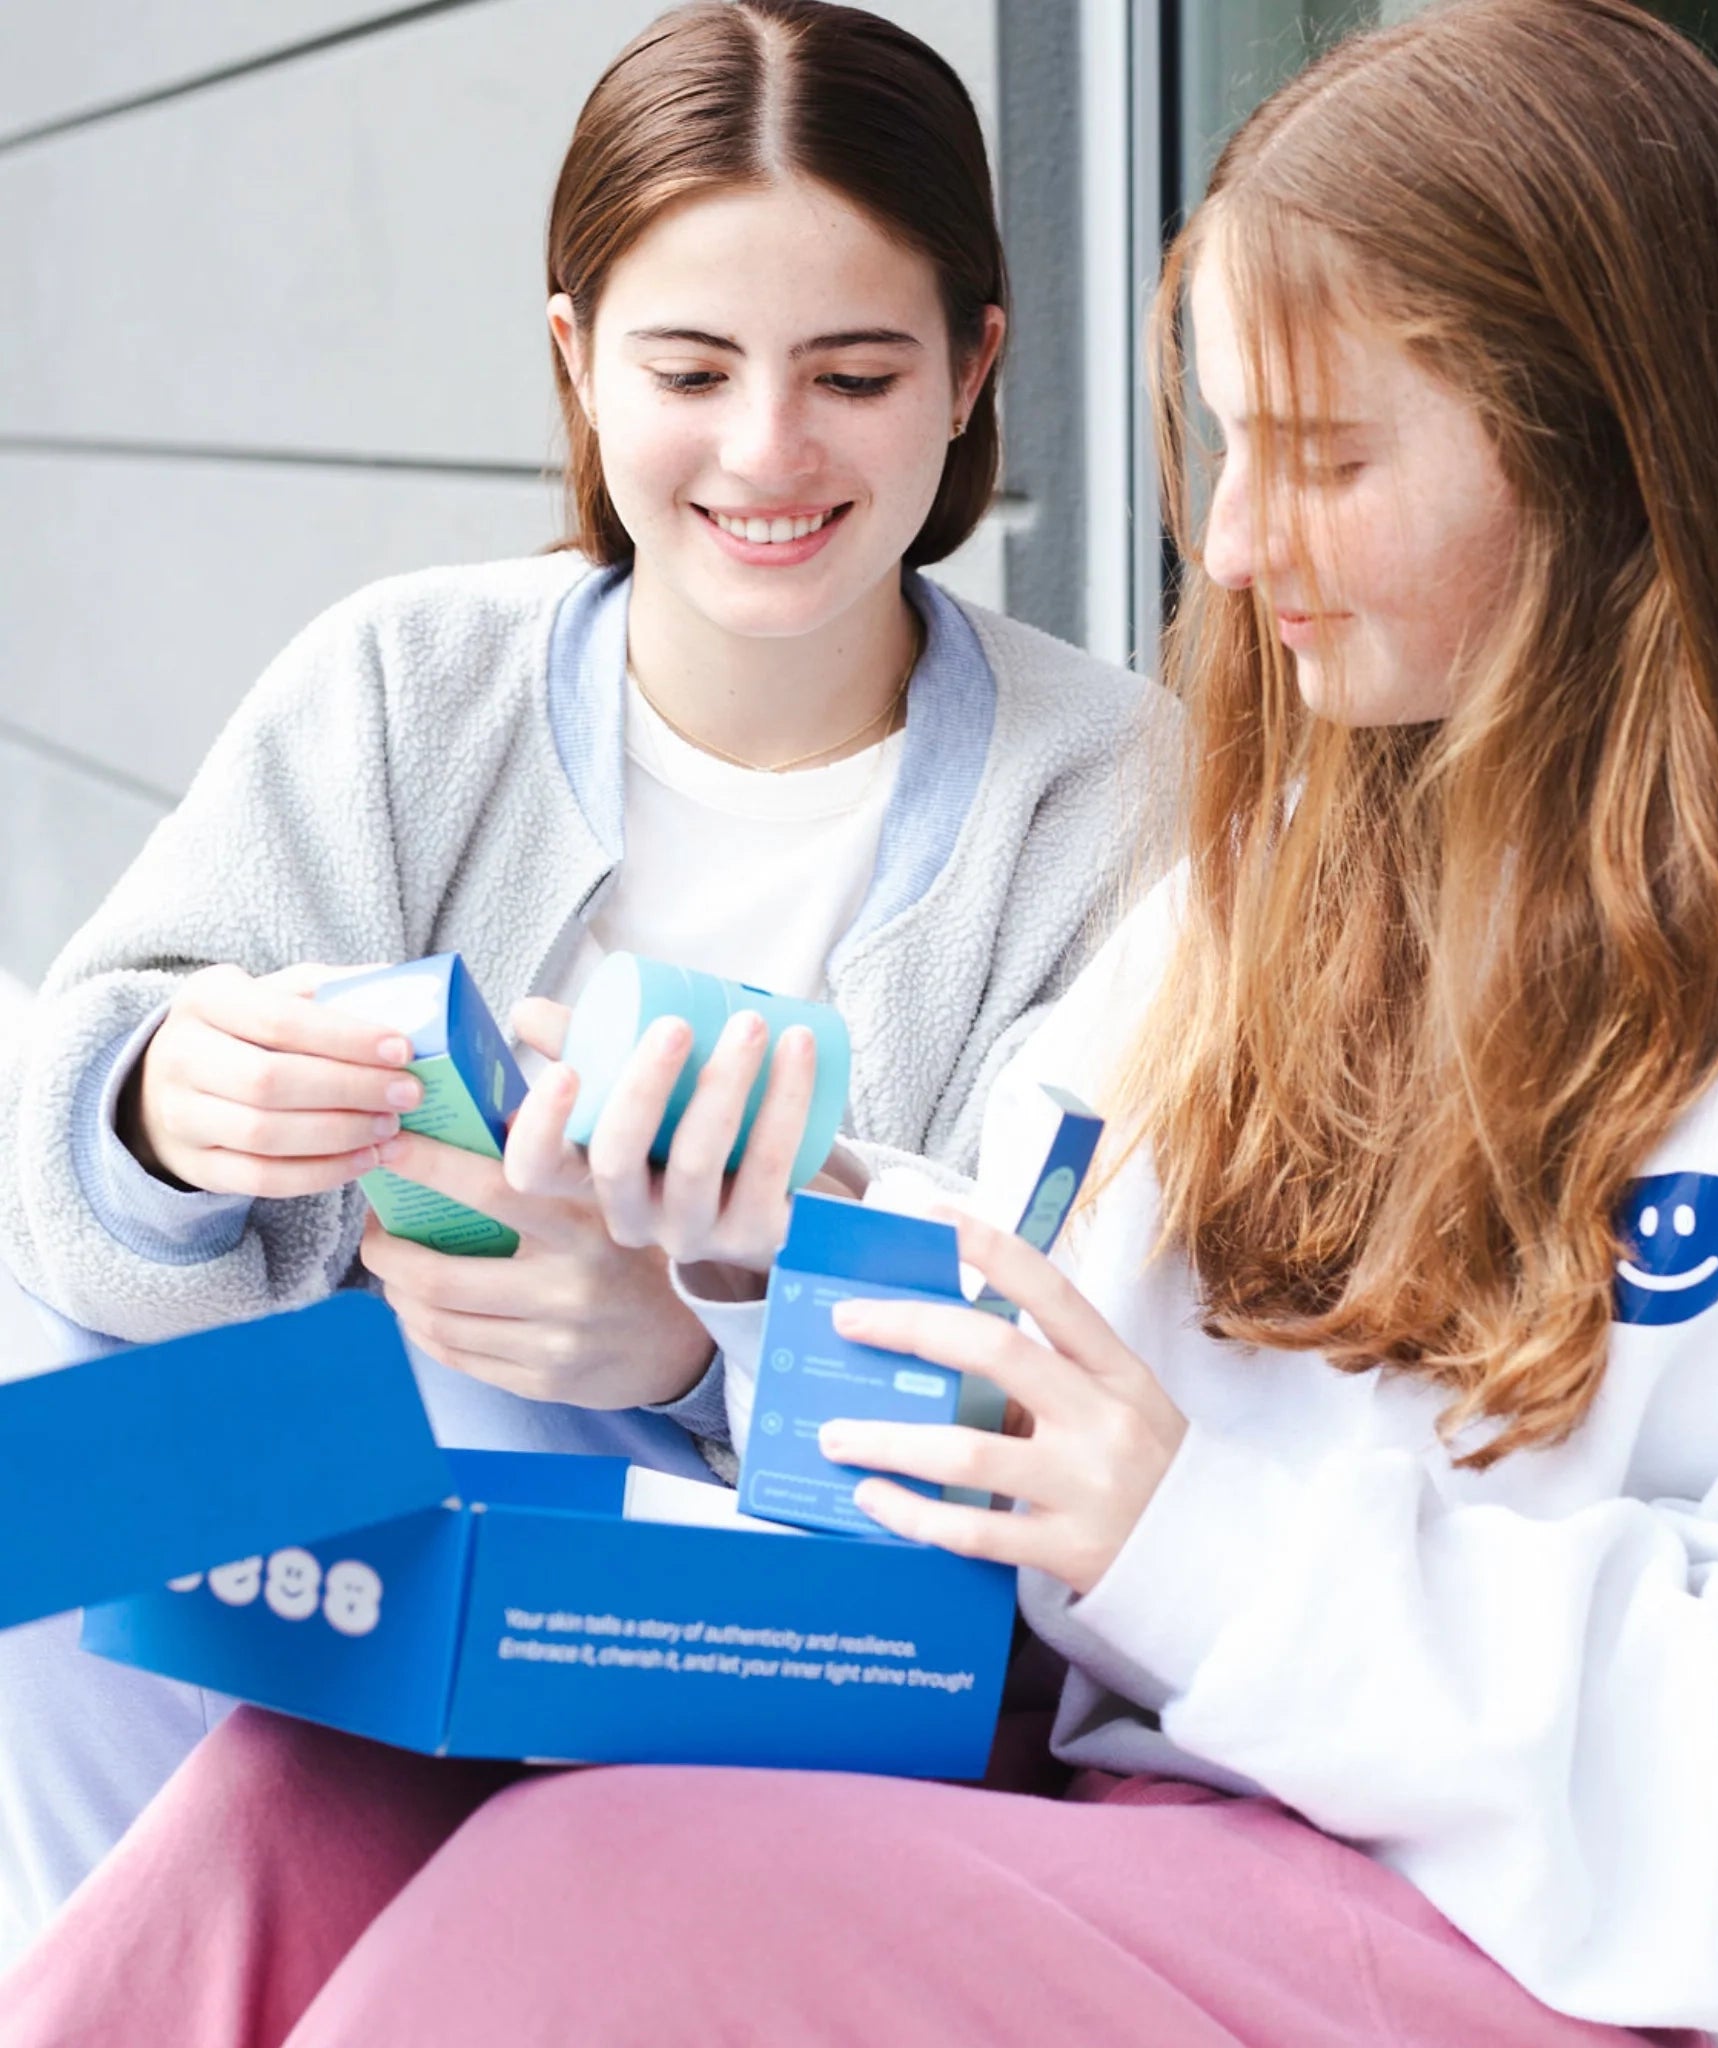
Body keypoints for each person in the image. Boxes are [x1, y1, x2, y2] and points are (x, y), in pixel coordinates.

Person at [10, 0, 1718, 2042]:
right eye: (1226, 445)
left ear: (1613, 450)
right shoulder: (1258, 901)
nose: (1232, 547)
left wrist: (1185, 1531)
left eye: (1325, 458)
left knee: (602, 1878)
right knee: (308, 1797)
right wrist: (758, 1260)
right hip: (1128, 1802)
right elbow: (1019, 1367)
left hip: (1524, 1926)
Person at [0, 0, 1157, 1956]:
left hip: (801, 1633)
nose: (766, 452)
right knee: (65, 1433)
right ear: (575, 363)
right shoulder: (402, 682)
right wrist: (159, 1108)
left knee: (459, 1415)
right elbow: (82, 1130)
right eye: (688, 367)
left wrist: (692, 1351)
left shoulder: (1122, 806)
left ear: (974, 368)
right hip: (357, 1538)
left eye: (854, 373)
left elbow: (1086, 1372)